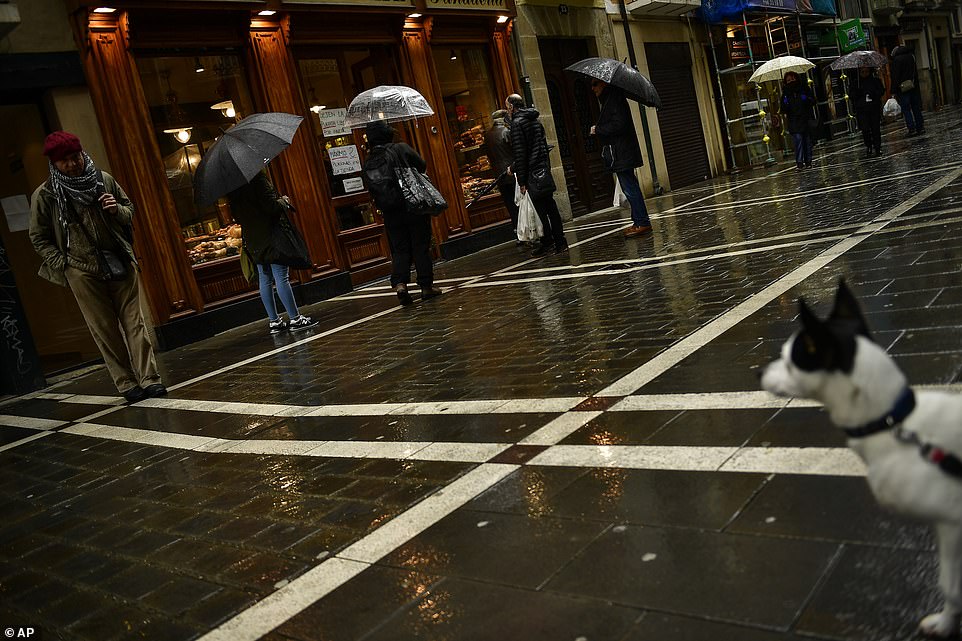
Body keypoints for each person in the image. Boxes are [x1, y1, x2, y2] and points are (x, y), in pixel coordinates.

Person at [29, 131, 166, 403]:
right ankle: (127, 383)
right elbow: (38, 237)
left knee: (135, 323)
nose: (73, 164)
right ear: (54, 163)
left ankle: (150, 379)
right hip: (82, 270)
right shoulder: (46, 195)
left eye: (76, 157)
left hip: (118, 259)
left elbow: (129, 210)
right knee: (105, 330)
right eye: (65, 161)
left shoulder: (103, 180)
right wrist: (64, 264)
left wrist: (116, 210)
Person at [226, 171, 318, 334]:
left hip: (253, 239)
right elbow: (272, 207)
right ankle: (295, 318)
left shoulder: (233, 186)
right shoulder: (258, 178)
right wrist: (284, 201)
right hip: (271, 237)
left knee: (265, 278)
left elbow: (237, 217)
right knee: (281, 276)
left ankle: (274, 321)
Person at [362, 119, 442, 305]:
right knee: (420, 246)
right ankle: (426, 286)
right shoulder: (400, 148)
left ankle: (400, 284)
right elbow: (421, 165)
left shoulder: (369, 160)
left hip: (389, 211)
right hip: (412, 204)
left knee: (399, 249)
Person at [505, 93, 568, 257]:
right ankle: (560, 242)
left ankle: (548, 242)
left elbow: (521, 154)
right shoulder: (535, 121)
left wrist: (521, 180)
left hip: (532, 173)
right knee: (551, 208)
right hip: (543, 169)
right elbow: (542, 147)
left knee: (540, 210)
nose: (507, 111)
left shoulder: (517, 124)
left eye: (507, 107)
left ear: (512, 106)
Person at [589, 80, 652, 238]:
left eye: (595, 84)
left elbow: (619, 124)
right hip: (621, 152)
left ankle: (642, 222)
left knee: (630, 189)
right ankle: (638, 221)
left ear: (603, 83)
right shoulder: (610, 99)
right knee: (630, 187)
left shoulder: (614, 99)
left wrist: (598, 129)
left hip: (622, 152)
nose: (592, 88)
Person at [484, 109, 519, 239]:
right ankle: (523, 231)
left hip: (499, 175)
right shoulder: (507, 131)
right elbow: (516, 151)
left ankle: (516, 230)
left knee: (510, 205)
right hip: (512, 173)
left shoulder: (487, 135)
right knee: (519, 203)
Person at [780, 71, 816, 169]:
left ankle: (808, 161)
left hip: (805, 119)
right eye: (788, 80)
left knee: (807, 141)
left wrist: (806, 99)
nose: (791, 81)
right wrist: (785, 103)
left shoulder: (804, 89)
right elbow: (783, 109)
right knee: (798, 140)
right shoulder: (786, 93)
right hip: (794, 121)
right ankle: (799, 162)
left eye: (792, 79)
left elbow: (813, 101)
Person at [891, 42, 925, 137]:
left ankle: (911, 128)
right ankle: (920, 126)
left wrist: (893, 90)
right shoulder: (911, 57)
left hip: (902, 88)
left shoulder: (897, 60)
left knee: (906, 109)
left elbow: (895, 76)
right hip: (912, 85)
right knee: (915, 107)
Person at [851, 66, 885, 157]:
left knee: (875, 129)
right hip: (862, 110)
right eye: (862, 72)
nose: (865, 73)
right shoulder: (856, 83)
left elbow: (881, 91)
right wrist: (857, 93)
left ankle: (877, 147)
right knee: (865, 129)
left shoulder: (875, 81)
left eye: (866, 71)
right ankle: (868, 146)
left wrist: (874, 94)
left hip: (874, 108)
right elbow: (851, 95)